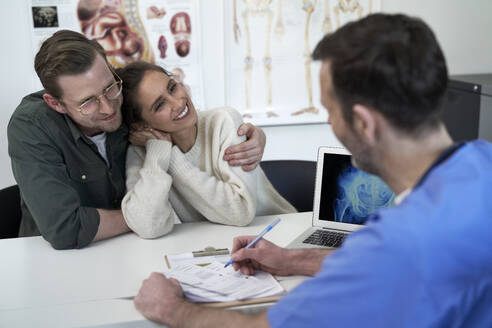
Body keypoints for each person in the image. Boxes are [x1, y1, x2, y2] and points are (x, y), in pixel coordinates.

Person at [133, 13, 492, 327]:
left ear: (364, 124)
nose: (330, 122)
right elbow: (376, 267)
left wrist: (173, 310)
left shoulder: (398, 245)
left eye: (329, 110)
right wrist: (291, 259)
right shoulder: (483, 163)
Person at [7, 30, 267, 250]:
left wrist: (244, 130)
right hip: (52, 259)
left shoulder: (126, 102)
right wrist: (142, 215)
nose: (109, 108)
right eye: (87, 102)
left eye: (110, 87)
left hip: (135, 248)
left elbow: (178, 115)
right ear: (56, 103)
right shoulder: (32, 126)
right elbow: (66, 228)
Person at [116, 61, 296, 238]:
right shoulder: (142, 153)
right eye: (159, 105)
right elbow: (148, 227)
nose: (177, 103)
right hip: (222, 245)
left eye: (172, 88)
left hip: (278, 232)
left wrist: (171, 157)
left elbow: (241, 211)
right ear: (141, 126)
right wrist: (158, 154)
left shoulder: (222, 122)